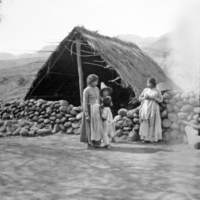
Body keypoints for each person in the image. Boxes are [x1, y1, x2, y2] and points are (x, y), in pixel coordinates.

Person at [80, 74, 103, 149]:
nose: (96, 83)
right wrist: (87, 114)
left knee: (97, 126)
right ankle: (89, 144)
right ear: (90, 82)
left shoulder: (97, 89)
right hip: (90, 110)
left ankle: (96, 143)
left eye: (97, 82)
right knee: (90, 127)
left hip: (96, 110)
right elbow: (85, 102)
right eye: (95, 82)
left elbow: (99, 99)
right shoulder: (86, 90)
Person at [139, 77, 163, 143]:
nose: (147, 84)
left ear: (153, 84)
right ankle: (145, 138)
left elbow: (161, 99)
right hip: (145, 107)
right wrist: (144, 98)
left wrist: (153, 98)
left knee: (152, 121)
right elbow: (140, 97)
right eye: (147, 83)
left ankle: (152, 138)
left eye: (149, 83)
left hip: (153, 107)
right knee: (145, 121)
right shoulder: (145, 90)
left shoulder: (157, 90)